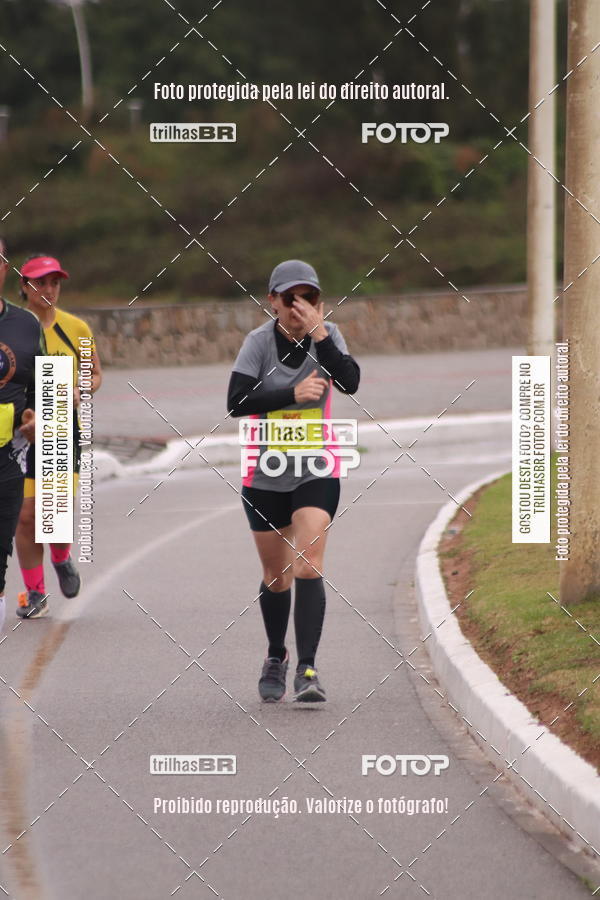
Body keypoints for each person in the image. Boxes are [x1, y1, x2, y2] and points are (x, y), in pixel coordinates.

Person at [227, 260, 360, 702]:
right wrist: (291, 394)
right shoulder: (258, 342)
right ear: (273, 302)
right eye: (290, 298)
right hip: (264, 474)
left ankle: (307, 669)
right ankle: (275, 655)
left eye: (309, 298)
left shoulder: (328, 337)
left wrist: (321, 334)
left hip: (316, 469)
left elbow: (351, 382)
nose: (299, 306)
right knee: (276, 574)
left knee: (308, 562)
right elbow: (236, 400)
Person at [15, 254, 102, 619]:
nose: (48, 289)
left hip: (60, 428)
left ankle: (61, 556)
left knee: (54, 512)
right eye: (39, 282)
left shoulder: (76, 328)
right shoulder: (13, 327)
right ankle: (35, 592)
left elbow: (95, 374)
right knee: (25, 515)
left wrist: (81, 390)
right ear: (24, 286)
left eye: (54, 282)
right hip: (19, 430)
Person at [0, 237, 46, 631]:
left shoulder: (26, 325)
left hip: (10, 454)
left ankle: (53, 569)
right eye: (41, 283)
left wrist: (38, 422)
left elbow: (46, 388)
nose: (48, 291)